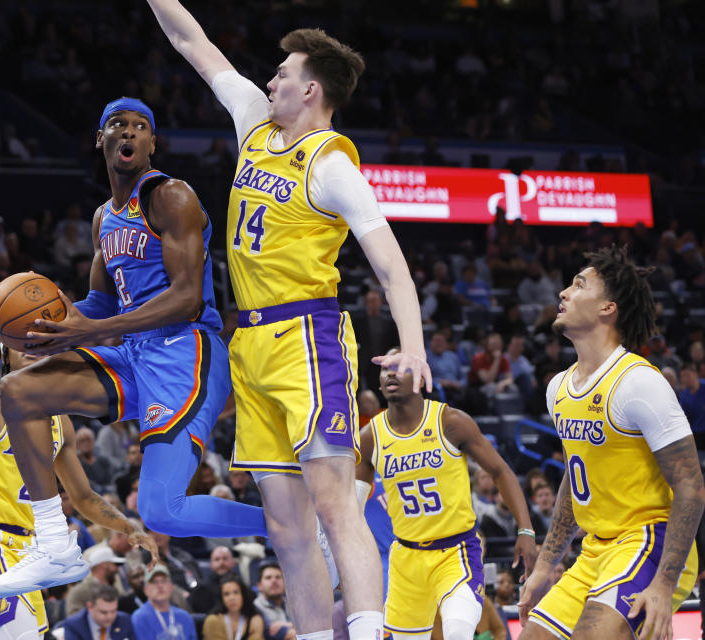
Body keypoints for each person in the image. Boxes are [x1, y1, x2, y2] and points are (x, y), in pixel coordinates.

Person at [143, 7, 433, 639]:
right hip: (248, 346)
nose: (268, 83)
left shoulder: (331, 165)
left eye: (281, 74)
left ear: (311, 89)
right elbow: (192, 40)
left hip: (308, 340)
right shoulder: (254, 124)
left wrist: (413, 346)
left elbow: (392, 265)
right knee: (284, 526)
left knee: (333, 505)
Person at [0, 97, 269, 597]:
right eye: (118, 125)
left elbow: (183, 299)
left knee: (162, 511)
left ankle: (293, 524)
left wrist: (87, 332)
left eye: (140, 126)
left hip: (187, 352)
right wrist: (54, 327)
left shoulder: (170, 197)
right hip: (136, 353)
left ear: (152, 143)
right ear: (102, 139)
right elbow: (98, 301)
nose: (129, 132)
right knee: (17, 392)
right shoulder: (103, 219)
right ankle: (55, 545)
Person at [0, 345, 158, 640]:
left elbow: (83, 497)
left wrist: (128, 527)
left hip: (33, 551)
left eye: (37, 342)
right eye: (18, 340)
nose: (30, 349)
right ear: (4, 355)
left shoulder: (60, 422)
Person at [518, 246, 705, 640]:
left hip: (648, 539)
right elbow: (575, 480)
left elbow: (691, 485)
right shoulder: (559, 388)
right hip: (595, 549)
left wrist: (664, 585)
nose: (564, 293)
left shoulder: (638, 382)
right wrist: (544, 566)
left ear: (608, 308)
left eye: (579, 285)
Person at [357, 351, 536, 640]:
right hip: (406, 559)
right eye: (385, 370)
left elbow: (501, 471)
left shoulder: (449, 421)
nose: (390, 374)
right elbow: (351, 510)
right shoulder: (370, 437)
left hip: (456, 551)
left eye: (399, 368)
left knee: (458, 631)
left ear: (420, 376)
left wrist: (525, 528)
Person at [131, 564, 196, 640]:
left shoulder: (185, 617)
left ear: (172, 587)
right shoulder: (140, 618)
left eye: (164, 581)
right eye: (154, 582)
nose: (160, 585)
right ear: (145, 590)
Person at [57, 584, 135, 640]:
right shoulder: (74, 625)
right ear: (90, 607)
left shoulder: (124, 620)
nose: (110, 616)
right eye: (104, 612)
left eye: (113, 611)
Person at [202, 575, 265, 640]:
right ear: (221, 598)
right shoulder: (212, 621)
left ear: (243, 595)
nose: (231, 598)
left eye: (236, 592)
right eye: (226, 594)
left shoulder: (255, 620)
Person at [253, 563, 295, 640]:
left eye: (278, 577)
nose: (274, 581)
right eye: (268, 578)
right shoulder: (255, 607)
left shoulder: (292, 603)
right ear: (259, 586)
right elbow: (274, 633)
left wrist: (285, 625)